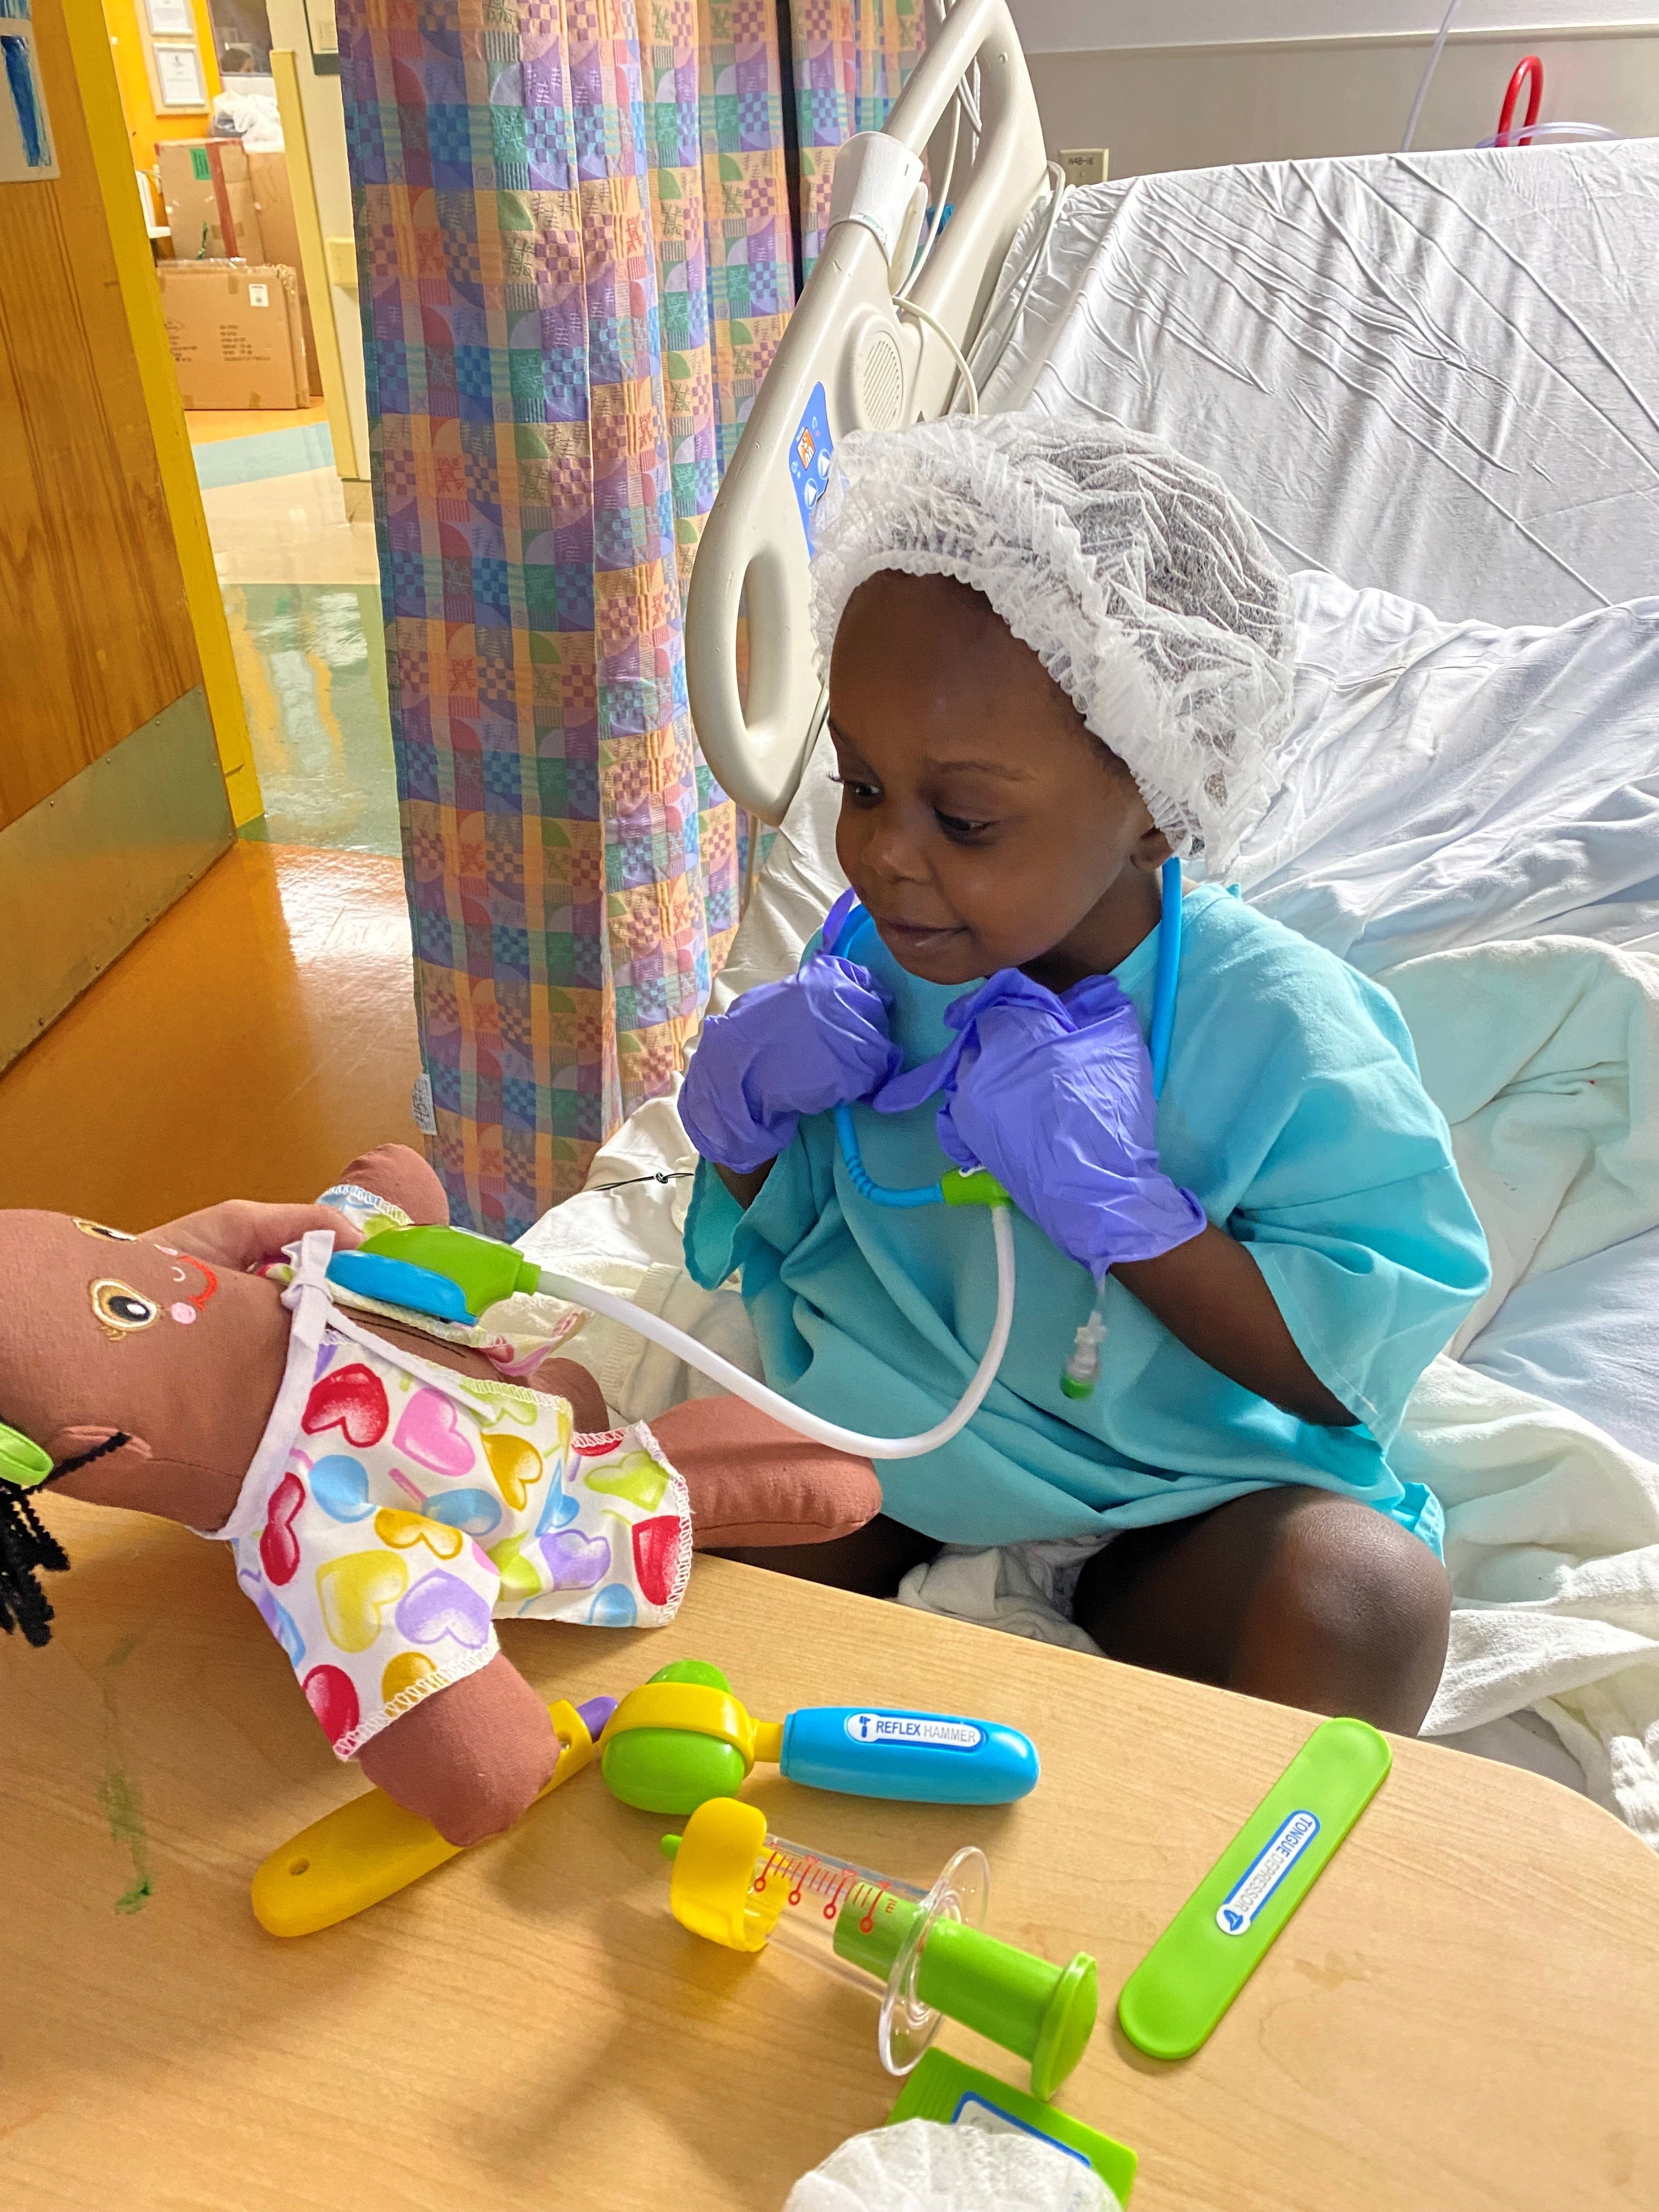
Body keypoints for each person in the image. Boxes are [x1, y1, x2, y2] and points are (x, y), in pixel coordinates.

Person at [677, 416, 1491, 1734]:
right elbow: (796, 1228)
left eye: (966, 817)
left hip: (1180, 1498)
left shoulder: (1282, 1024)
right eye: (864, 785)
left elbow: (1353, 1368)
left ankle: (1244, 1899)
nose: (885, 855)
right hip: (902, 1442)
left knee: (1366, 1600)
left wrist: (1136, 1217)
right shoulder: (876, 963)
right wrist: (745, 1120)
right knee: (670, 1531)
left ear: (1157, 803)